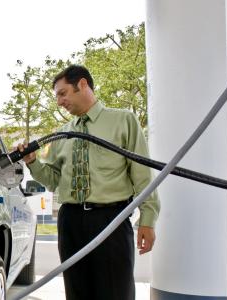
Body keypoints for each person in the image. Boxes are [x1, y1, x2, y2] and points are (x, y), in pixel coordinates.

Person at [17, 65, 159, 300]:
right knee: (77, 292)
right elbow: (54, 181)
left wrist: (148, 219)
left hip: (111, 220)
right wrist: (33, 162)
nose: (59, 102)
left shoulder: (124, 120)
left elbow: (142, 174)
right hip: (70, 221)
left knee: (116, 292)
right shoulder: (62, 134)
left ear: (82, 84)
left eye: (63, 94)